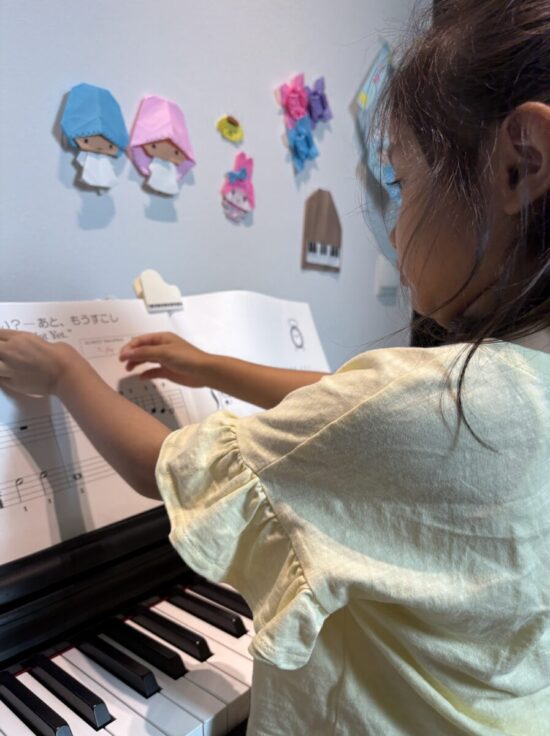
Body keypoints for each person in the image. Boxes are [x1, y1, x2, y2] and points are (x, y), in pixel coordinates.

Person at [1, 0, 549, 732]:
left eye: (400, 183)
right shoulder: (511, 385)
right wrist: (214, 367)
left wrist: (67, 372)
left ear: (520, 166)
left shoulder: (439, 405)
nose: (393, 229)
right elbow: (342, 401)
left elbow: (164, 466)